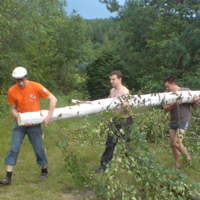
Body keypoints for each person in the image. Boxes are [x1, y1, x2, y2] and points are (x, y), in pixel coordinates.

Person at [0, 66, 57, 185]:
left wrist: (48, 117)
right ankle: (8, 178)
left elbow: (53, 99)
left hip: (34, 124)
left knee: (38, 149)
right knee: (13, 148)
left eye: (22, 79)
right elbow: (13, 108)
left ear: (26, 77)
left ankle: (44, 170)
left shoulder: (35, 86)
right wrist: (19, 119)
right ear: (15, 80)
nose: (20, 83)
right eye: (17, 80)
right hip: (20, 124)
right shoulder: (12, 91)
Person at [93, 70, 133, 172]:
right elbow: (108, 102)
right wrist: (101, 109)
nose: (111, 81)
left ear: (120, 79)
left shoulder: (125, 92)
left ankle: (135, 165)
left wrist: (125, 106)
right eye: (110, 79)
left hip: (126, 121)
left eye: (113, 79)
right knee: (110, 143)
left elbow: (128, 109)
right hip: (115, 121)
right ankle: (104, 166)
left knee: (129, 144)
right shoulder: (112, 91)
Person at [163, 76, 199, 169]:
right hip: (173, 120)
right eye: (166, 87)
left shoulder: (186, 91)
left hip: (184, 119)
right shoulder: (167, 94)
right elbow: (165, 109)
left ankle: (188, 159)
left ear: (173, 84)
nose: (167, 89)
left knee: (177, 142)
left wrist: (197, 101)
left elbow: (194, 106)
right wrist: (174, 104)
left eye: (168, 86)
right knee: (172, 143)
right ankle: (177, 164)